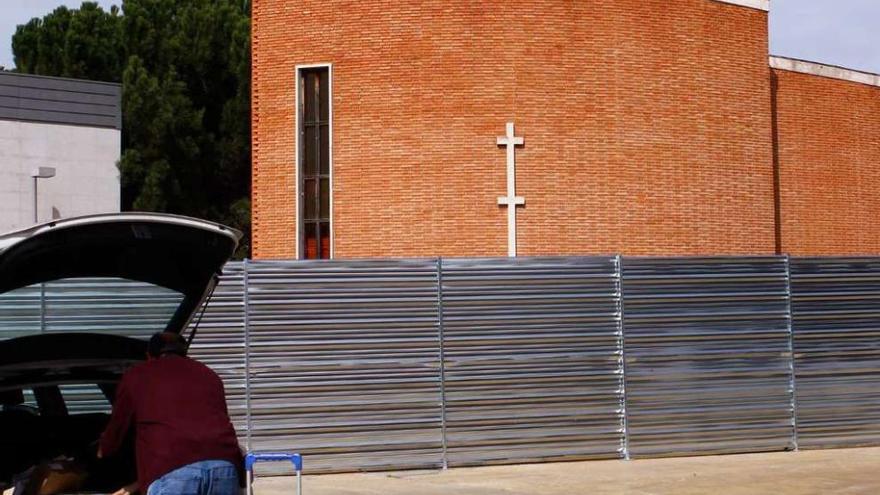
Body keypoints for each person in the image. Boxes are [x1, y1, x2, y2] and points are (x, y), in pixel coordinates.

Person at [98, 332, 244, 495]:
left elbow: (118, 424)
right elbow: (219, 419)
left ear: (149, 356)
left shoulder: (138, 375)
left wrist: (103, 449)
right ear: (184, 353)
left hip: (172, 468)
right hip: (223, 466)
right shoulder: (209, 375)